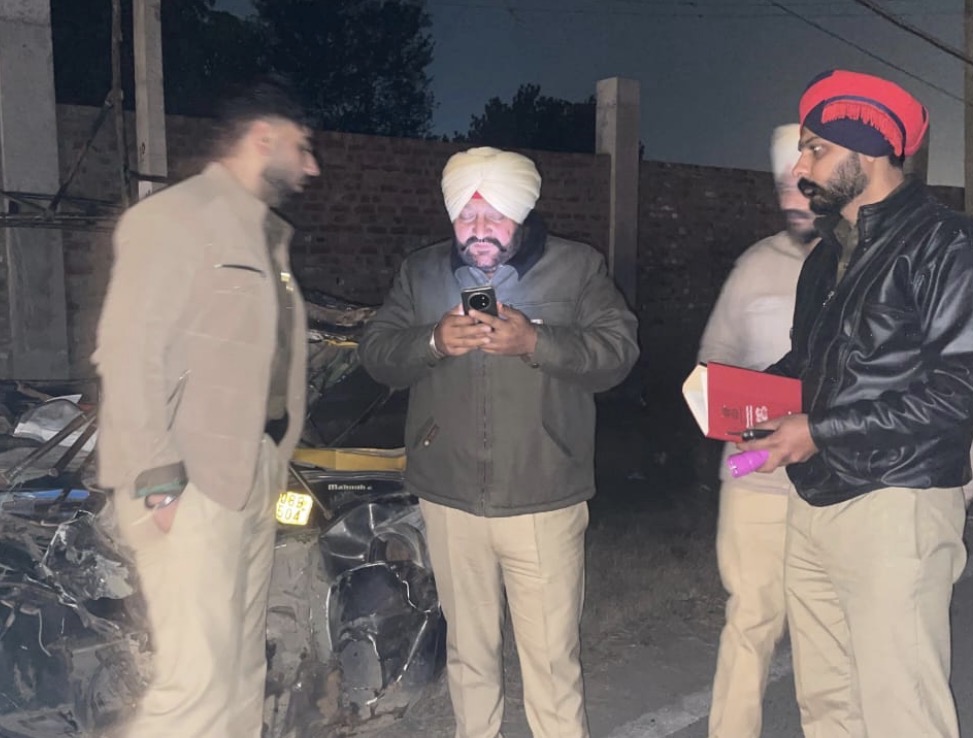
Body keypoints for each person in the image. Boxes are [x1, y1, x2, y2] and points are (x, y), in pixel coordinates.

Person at [741, 69, 973, 738]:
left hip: (898, 504)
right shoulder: (826, 257)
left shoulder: (952, 245)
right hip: (815, 498)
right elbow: (810, 365)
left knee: (901, 710)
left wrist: (821, 428)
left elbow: (969, 387)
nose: (800, 167)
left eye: (816, 149)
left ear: (867, 152)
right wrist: (742, 398)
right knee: (828, 704)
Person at [359, 146, 639, 738]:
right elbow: (378, 354)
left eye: (495, 215)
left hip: (543, 494)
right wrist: (432, 342)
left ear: (523, 212)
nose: (479, 229)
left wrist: (536, 342)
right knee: (469, 654)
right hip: (449, 497)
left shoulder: (577, 267)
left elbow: (618, 353)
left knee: (551, 662)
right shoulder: (421, 272)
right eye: (466, 215)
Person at [93, 77, 320, 738]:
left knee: (240, 671)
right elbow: (128, 351)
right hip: (187, 478)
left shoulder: (262, 235)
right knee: (195, 688)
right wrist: (158, 478)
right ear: (264, 137)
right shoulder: (177, 218)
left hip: (253, 466)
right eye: (303, 147)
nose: (311, 167)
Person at [696, 123, 817, 738]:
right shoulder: (755, 265)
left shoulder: (868, 262)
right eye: (783, 187)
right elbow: (713, 358)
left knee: (829, 635)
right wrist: (734, 408)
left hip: (837, 483)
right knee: (749, 622)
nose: (793, 199)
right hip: (755, 479)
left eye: (805, 185)